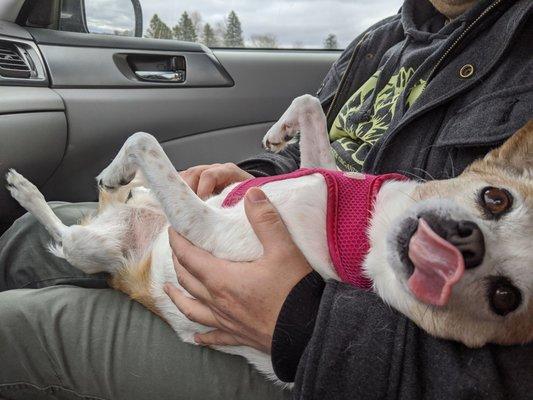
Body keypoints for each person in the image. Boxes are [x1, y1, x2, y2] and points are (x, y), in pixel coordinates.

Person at [0, 0, 531, 399]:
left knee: (20, 327)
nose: (472, 240)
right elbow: (320, 159)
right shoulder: (388, 38)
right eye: (494, 204)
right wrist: (251, 176)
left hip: (321, 361)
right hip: (267, 235)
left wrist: (305, 325)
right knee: (27, 238)